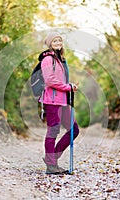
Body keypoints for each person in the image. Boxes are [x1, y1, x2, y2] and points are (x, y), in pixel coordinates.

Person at [39, 32, 80, 174]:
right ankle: (51, 166)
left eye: (59, 40)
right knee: (53, 130)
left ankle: (52, 157)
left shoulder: (59, 59)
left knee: (74, 129)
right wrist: (67, 87)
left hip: (62, 101)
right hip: (51, 101)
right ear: (50, 43)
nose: (58, 42)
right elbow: (49, 80)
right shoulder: (47, 59)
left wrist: (70, 85)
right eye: (55, 40)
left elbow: (60, 81)